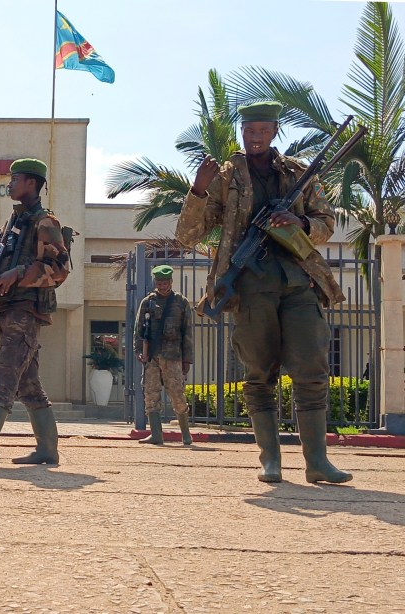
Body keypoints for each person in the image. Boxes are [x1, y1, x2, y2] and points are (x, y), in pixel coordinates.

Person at [176, 101, 352, 484]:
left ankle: (317, 462)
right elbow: (189, 235)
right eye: (248, 130)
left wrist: (299, 221)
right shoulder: (226, 177)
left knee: (311, 369)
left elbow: (326, 224)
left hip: (299, 281)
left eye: (262, 131)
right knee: (259, 374)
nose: (254, 137)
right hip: (251, 287)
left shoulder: (298, 174)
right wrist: (198, 191)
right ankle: (270, 461)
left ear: (274, 132)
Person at [0, 158, 71, 466]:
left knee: (6, 376)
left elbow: (61, 269)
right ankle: (47, 450)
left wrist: (20, 274)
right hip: (6, 309)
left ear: (32, 183)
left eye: (15, 178)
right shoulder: (13, 224)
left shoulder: (45, 223)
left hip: (26, 311)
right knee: (29, 385)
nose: (9, 184)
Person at [134, 265, 194, 446]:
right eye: (159, 283)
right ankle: (156, 435)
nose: (162, 286)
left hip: (173, 355)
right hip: (152, 355)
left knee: (177, 393)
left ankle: (185, 435)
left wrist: (187, 359)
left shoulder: (181, 302)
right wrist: (139, 351)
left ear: (171, 282)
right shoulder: (147, 302)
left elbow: (188, 332)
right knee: (151, 393)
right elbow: (138, 330)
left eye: (165, 282)